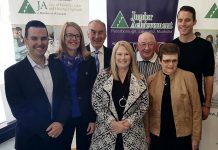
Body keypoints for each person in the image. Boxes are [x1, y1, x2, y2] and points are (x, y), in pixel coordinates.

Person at [4, 20, 71, 150]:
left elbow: (66, 97)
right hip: (31, 140)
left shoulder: (58, 66)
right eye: (34, 38)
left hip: (60, 137)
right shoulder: (12, 73)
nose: (40, 43)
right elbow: (19, 109)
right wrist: (49, 128)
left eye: (43, 38)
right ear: (25, 40)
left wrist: (60, 122)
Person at [90, 41, 149, 150]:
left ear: (131, 56)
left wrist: (129, 122)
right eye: (119, 54)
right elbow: (96, 102)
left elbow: (144, 105)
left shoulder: (140, 78)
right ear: (114, 56)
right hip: (107, 132)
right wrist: (112, 122)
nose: (123, 58)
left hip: (132, 134)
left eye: (126, 54)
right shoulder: (102, 76)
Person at [49, 22, 97, 150]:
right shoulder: (53, 60)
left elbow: (93, 90)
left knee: (85, 147)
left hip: (84, 115)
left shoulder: (89, 61)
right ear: (63, 37)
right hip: (62, 117)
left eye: (77, 36)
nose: (74, 39)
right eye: (69, 35)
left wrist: (93, 119)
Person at [147, 43, 202, 150]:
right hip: (157, 135)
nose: (171, 64)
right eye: (167, 61)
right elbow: (147, 110)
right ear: (159, 61)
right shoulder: (151, 79)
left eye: (174, 60)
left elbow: (196, 109)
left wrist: (196, 137)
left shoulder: (189, 77)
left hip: (182, 135)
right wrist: (147, 133)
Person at [173, 6, 215, 120]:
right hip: (173, 103)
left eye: (187, 20)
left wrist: (206, 104)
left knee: (193, 138)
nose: (183, 24)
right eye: (180, 20)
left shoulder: (205, 46)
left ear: (194, 22)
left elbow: (208, 77)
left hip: (195, 103)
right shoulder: (171, 46)